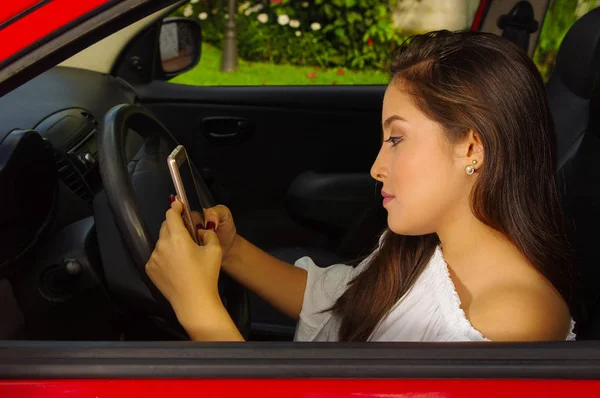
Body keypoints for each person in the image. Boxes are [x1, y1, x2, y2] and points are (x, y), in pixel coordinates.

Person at [145, 30, 577, 342]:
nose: (376, 168)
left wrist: (197, 308)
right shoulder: (426, 246)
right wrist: (233, 251)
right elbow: (343, 307)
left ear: (471, 148)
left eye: (396, 139)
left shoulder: (516, 318)